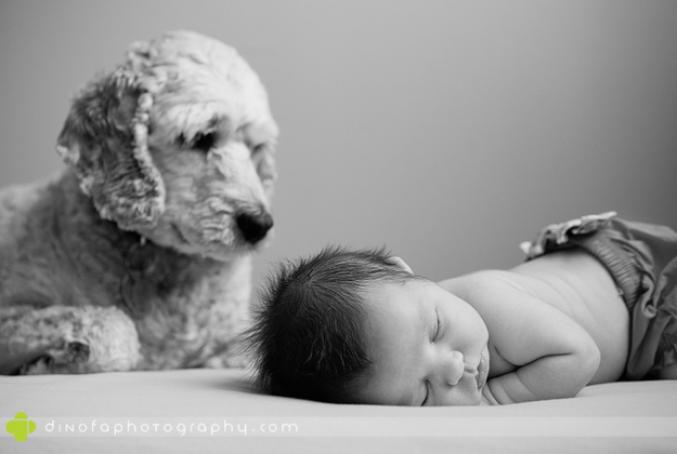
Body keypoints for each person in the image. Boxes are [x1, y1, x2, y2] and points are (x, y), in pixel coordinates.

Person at [246, 212, 677, 405]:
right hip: (644, 346)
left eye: (435, 329)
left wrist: (496, 397)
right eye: (423, 393)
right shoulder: (441, 332)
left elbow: (580, 355)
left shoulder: (490, 299)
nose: (454, 369)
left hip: (641, 287)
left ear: (408, 272)